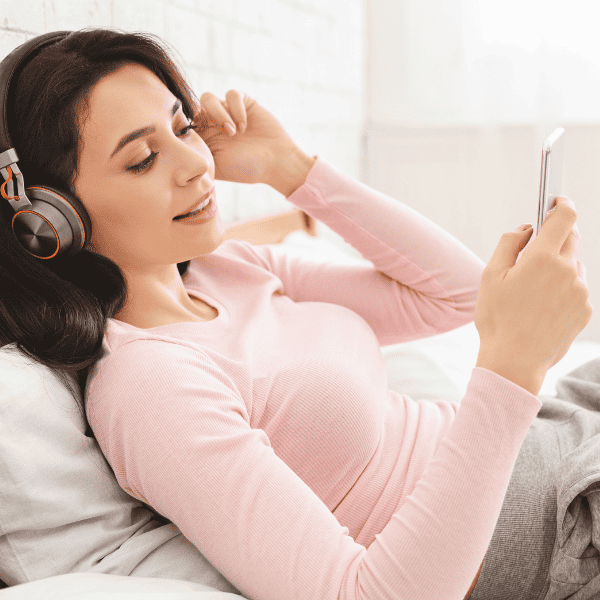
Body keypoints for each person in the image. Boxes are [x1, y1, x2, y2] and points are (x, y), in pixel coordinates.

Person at [0, 28, 592, 600]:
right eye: (144, 159)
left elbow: (456, 295)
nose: (196, 164)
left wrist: (291, 168)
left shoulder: (225, 266)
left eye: (183, 128)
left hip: (558, 432)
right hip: (563, 525)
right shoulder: (150, 385)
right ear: (51, 221)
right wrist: (511, 368)